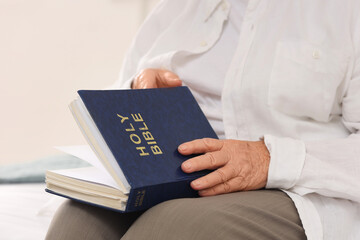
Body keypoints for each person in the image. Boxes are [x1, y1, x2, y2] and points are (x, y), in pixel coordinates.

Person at [46, 0, 360, 239]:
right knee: (77, 219)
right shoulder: (176, 8)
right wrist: (137, 91)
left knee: (171, 227)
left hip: (300, 190)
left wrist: (268, 160)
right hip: (178, 176)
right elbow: (119, 89)